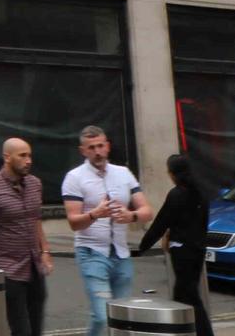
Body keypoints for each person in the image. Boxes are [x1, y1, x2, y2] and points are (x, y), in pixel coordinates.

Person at [62, 125, 149, 336]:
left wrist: (132, 216)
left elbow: (147, 210)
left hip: (121, 253)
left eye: (100, 146)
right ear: (83, 150)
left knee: (122, 318)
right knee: (102, 317)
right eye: (91, 147)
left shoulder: (123, 173)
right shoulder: (74, 177)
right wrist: (95, 214)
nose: (97, 151)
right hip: (92, 253)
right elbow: (73, 222)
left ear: (108, 146)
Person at [0, 136, 53, 336]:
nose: (29, 160)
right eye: (23, 156)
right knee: (21, 331)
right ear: (7, 157)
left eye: (30, 155)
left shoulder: (35, 184)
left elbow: (36, 219)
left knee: (36, 330)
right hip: (8, 270)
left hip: (35, 267)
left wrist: (45, 251)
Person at [138, 155, 214, 336]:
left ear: (172, 174)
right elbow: (203, 223)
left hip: (181, 251)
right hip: (197, 250)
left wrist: (143, 246)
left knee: (189, 298)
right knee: (183, 296)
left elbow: (161, 222)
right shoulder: (201, 192)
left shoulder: (177, 194)